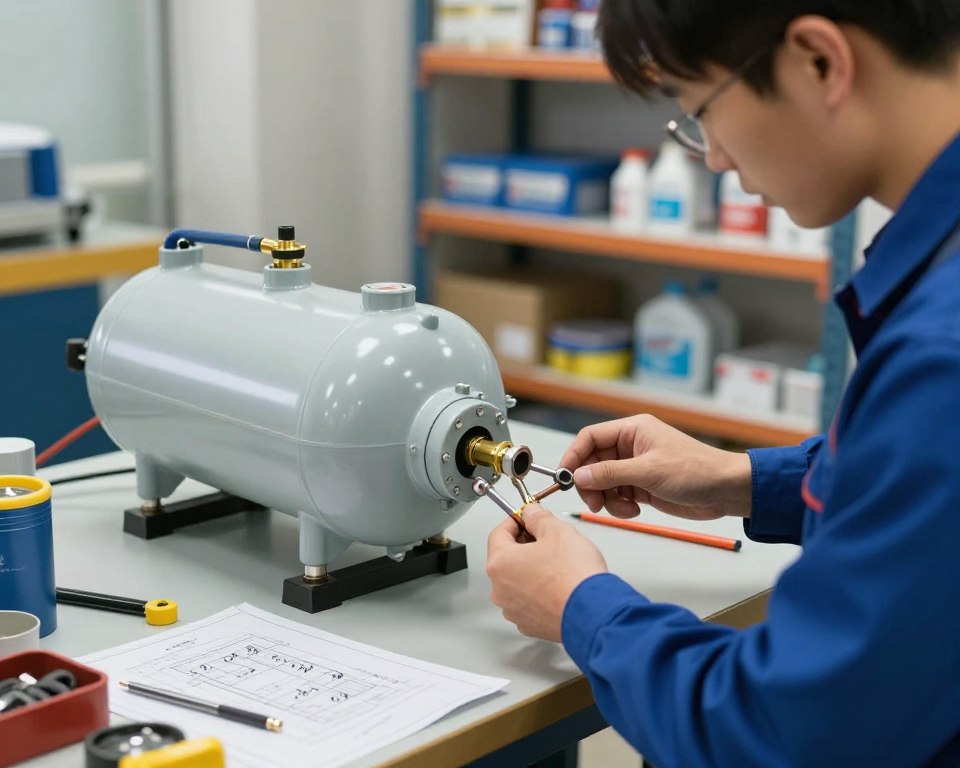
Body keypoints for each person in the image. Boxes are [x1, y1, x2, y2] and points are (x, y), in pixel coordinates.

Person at [484, 2, 960, 766]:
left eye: (699, 108)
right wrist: (741, 480)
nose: (712, 159)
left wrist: (579, 605)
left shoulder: (942, 352)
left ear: (818, 61)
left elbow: (779, 732)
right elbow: (921, 496)